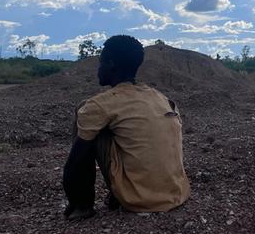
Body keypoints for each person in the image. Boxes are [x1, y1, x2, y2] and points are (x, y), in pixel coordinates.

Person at [62, 35, 190, 220]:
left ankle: (82, 205)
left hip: (138, 200)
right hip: (178, 194)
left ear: (111, 64)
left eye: (101, 62)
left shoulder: (101, 104)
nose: (98, 69)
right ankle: (123, 191)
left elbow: (75, 162)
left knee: (86, 115)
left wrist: (72, 194)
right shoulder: (161, 98)